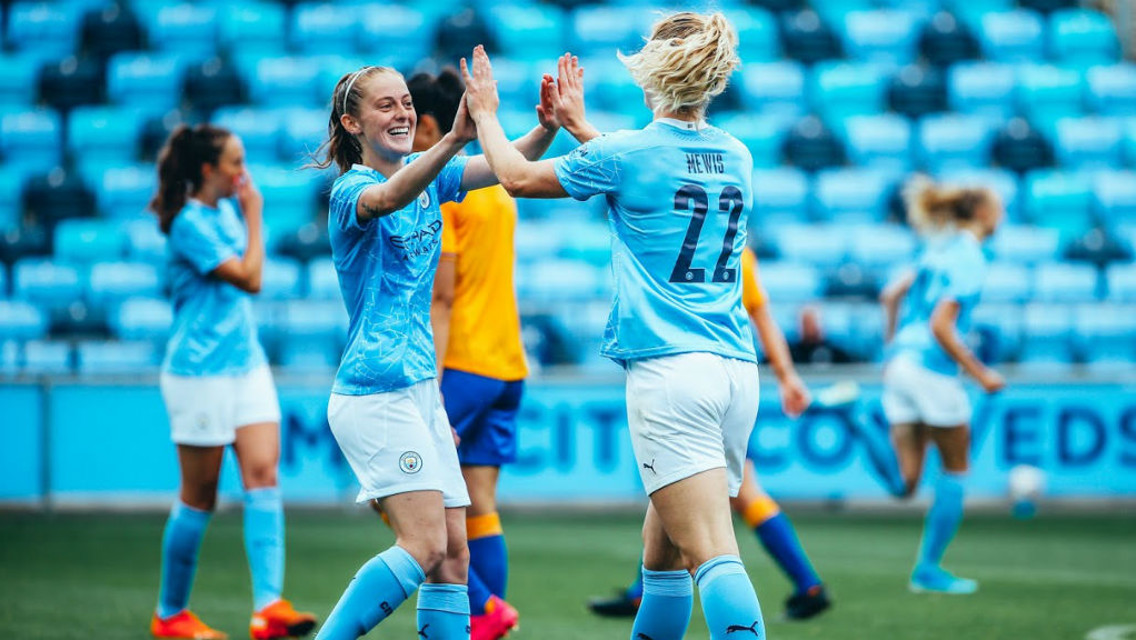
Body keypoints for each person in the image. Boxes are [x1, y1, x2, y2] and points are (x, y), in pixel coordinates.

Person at [461, 11, 771, 639]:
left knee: (711, 550)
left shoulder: (626, 153)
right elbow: (648, 174)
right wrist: (580, 130)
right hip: (736, 369)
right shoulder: (737, 156)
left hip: (670, 373)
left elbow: (516, 178)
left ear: (649, 75)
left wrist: (487, 111)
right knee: (662, 557)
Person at [307, 64, 562, 640]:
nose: (400, 113)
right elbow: (389, 195)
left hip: (419, 389)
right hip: (375, 392)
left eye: (404, 103)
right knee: (423, 546)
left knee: (453, 559)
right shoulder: (350, 192)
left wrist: (544, 127)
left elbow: (506, 166)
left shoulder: (434, 179)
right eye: (385, 106)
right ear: (351, 123)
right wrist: (452, 137)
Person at [588, 247, 832, 622]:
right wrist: (785, 376)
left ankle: (808, 584)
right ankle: (806, 584)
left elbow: (761, 314)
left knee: (708, 493)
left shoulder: (676, 231)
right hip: (731, 376)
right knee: (696, 491)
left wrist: (787, 376)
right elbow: (760, 314)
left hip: (686, 377)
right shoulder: (733, 241)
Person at [149, 124, 316, 640]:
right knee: (199, 496)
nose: (243, 172)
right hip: (199, 373)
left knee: (264, 476)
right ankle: (170, 613)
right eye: (235, 162)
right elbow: (251, 278)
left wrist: (244, 215)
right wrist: (256, 215)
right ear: (208, 170)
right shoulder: (187, 224)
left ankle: (268, 608)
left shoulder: (219, 214)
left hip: (246, 366)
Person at [852, 176, 1005, 595]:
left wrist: (890, 352)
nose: (1002, 214)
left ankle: (854, 418)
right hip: (931, 372)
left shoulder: (936, 247)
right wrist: (981, 374)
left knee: (907, 483)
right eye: (998, 206)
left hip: (902, 362)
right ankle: (928, 570)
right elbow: (941, 325)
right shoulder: (971, 256)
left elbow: (890, 295)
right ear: (980, 213)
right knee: (956, 469)